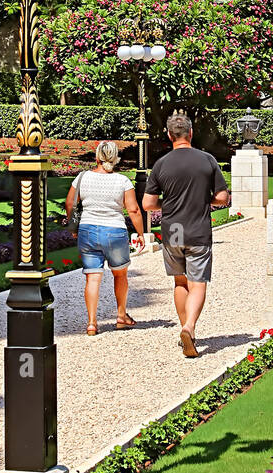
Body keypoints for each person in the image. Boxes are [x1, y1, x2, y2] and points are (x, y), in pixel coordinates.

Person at [142, 114, 230, 358]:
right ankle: (189, 327)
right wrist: (205, 200)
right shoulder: (207, 160)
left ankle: (186, 332)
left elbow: (148, 204)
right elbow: (223, 198)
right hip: (198, 229)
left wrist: (168, 203)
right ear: (190, 133)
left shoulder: (161, 164)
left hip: (174, 231)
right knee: (198, 282)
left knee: (180, 282)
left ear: (170, 136)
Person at [66, 140, 145, 337]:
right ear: (115, 158)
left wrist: (73, 226)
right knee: (120, 275)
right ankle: (120, 315)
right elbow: (133, 209)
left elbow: (70, 203)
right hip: (115, 232)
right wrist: (141, 233)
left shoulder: (82, 178)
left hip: (88, 229)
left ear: (97, 157)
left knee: (92, 277)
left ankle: (92, 323)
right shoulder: (122, 181)